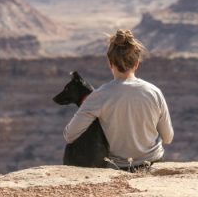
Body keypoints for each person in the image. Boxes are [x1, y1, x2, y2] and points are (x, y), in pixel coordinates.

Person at [63, 29, 174, 170]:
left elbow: (69, 135)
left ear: (110, 63)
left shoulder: (99, 96)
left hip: (120, 168)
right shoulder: (154, 92)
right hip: (153, 163)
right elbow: (168, 138)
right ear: (136, 64)